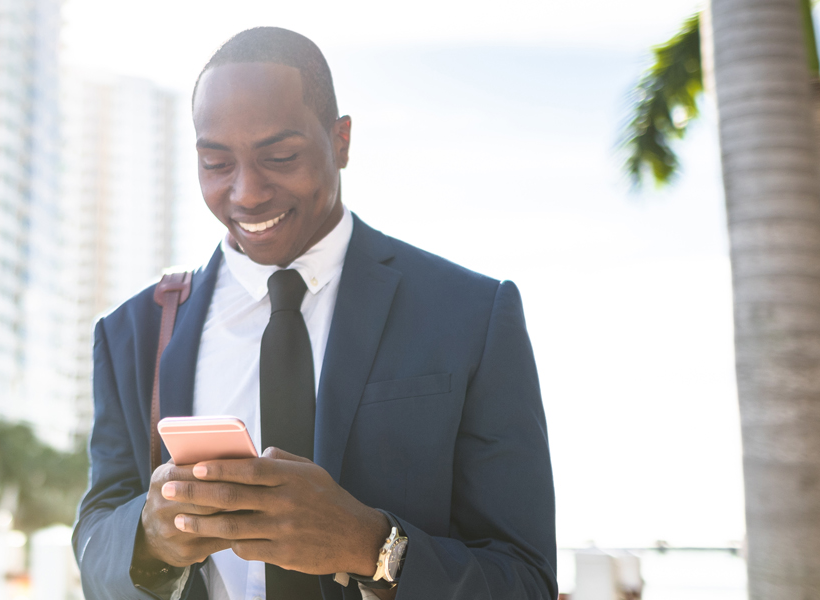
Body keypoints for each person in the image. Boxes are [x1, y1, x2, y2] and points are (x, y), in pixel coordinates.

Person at [73, 27, 556, 600]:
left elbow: (525, 580)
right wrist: (148, 537)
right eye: (216, 162)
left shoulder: (471, 315)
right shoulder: (133, 333)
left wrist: (372, 547)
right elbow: (97, 540)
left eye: (280, 156)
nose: (246, 193)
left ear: (341, 141)